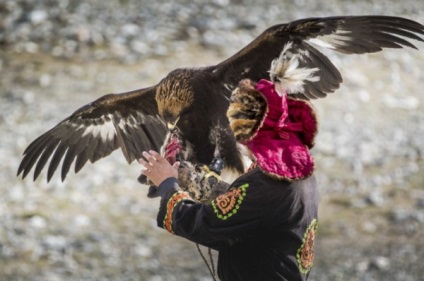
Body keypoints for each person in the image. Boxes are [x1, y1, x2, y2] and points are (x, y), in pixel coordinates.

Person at [139, 77, 319, 281]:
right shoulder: (296, 170)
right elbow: (251, 209)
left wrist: (167, 183)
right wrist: (195, 182)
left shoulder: (270, 183)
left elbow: (206, 224)